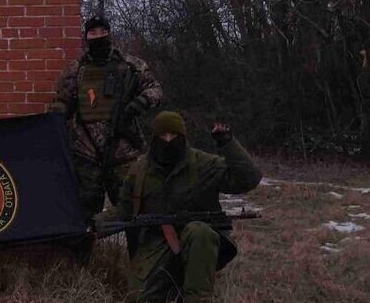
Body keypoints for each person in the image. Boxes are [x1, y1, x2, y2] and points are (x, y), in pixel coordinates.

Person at [93, 111, 263, 302]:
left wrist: (226, 142)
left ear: (183, 137)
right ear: (154, 139)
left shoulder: (203, 164)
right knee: (137, 298)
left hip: (196, 243)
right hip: (155, 245)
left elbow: (248, 178)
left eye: (173, 136)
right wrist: (95, 224)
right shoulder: (139, 171)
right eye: (162, 136)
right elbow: (124, 210)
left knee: (200, 232)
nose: (168, 141)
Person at [48, 17, 164, 220]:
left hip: (124, 152)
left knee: (133, 209)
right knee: (84, 213)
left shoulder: (131, 66)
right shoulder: (76, 70)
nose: (98, 36)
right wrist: (55, 117)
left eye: (103, 31)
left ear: (110, 34)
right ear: (86, 37)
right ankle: (87, 251)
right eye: (93, 33)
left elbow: (155, 90)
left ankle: (140, 252)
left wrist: (139, 103)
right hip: (86, 153)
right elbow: (61, 101)